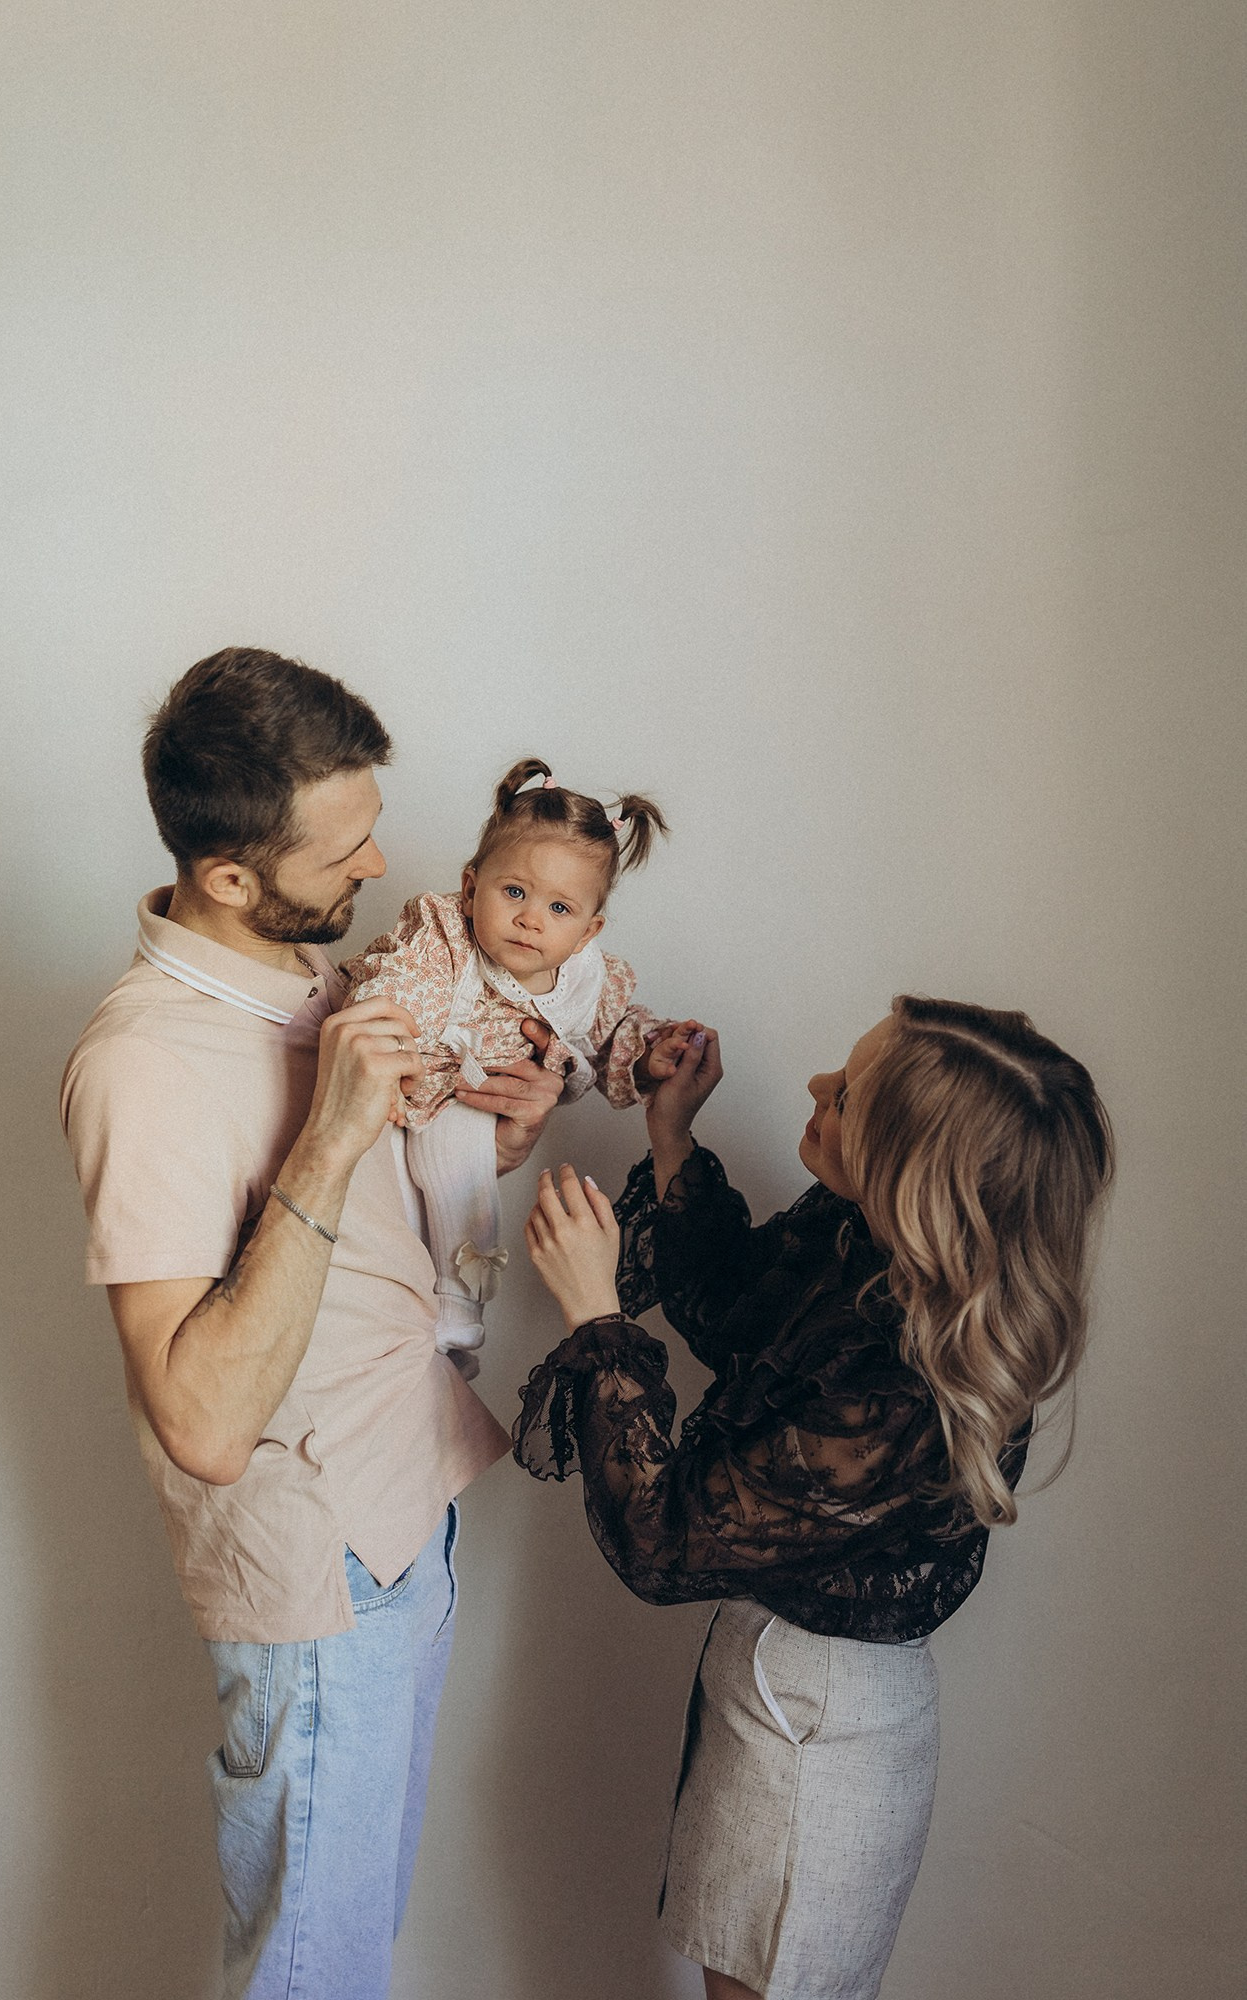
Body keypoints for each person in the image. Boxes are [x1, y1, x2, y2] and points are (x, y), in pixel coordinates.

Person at [59, 647, 563, 2000]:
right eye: (343, 848)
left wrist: (483, 1144)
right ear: (229, 877)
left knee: (347, 1951)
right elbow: (202, 1422)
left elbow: (350, 1248)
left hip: (406, 1519)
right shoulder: (143, 1064)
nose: (379, 861)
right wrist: (333, 1139)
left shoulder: (308, 974)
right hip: (318, 1573)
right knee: (308, 1979)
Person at [515, 997, 1113, 2000]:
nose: (814, 1086)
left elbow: (662, 1540)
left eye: (846, 1095)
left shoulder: (902, 1392)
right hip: (780, 1685)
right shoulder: (867, 1246)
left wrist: (595, 1316)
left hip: (817, 1720)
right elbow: (734, 1308)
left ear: (907, 1169)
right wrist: (671, 1134)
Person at [345, 757, 700, 1367]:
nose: (531, 918)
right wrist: (391, 1054)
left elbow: (611, 1036)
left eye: (560, 909)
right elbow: (391, 993)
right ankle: (408, 1318)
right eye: (514, 892)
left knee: (459, 1175)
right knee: (387, 1219)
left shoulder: (588, 980)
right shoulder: (444, 939)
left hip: (467, 1108)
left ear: (587, 932)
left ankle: (462, 1302)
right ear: (470, 888)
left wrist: (651, 1054)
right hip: (399, 1089)